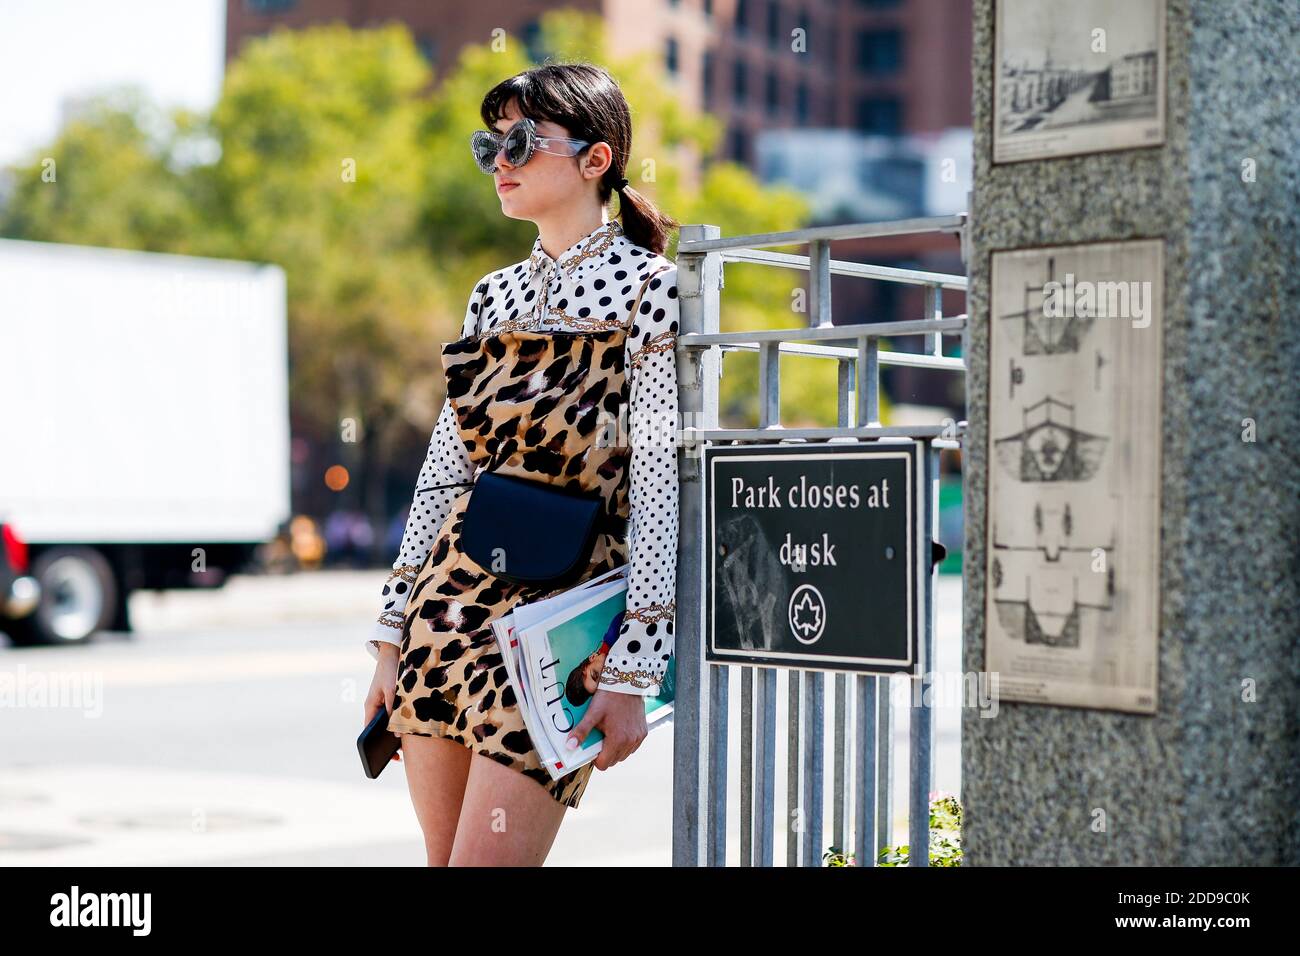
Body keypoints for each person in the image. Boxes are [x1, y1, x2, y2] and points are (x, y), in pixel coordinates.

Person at [361, 63, 681, 866]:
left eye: (520, 142)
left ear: (595, 159)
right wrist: (392, 633)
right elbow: (447, 467)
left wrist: (634, 671)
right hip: (449, 610)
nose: (498, 161)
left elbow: (658, 487)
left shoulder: (653, 289)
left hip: (560, 626)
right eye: (489, 145)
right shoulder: (491, 296)